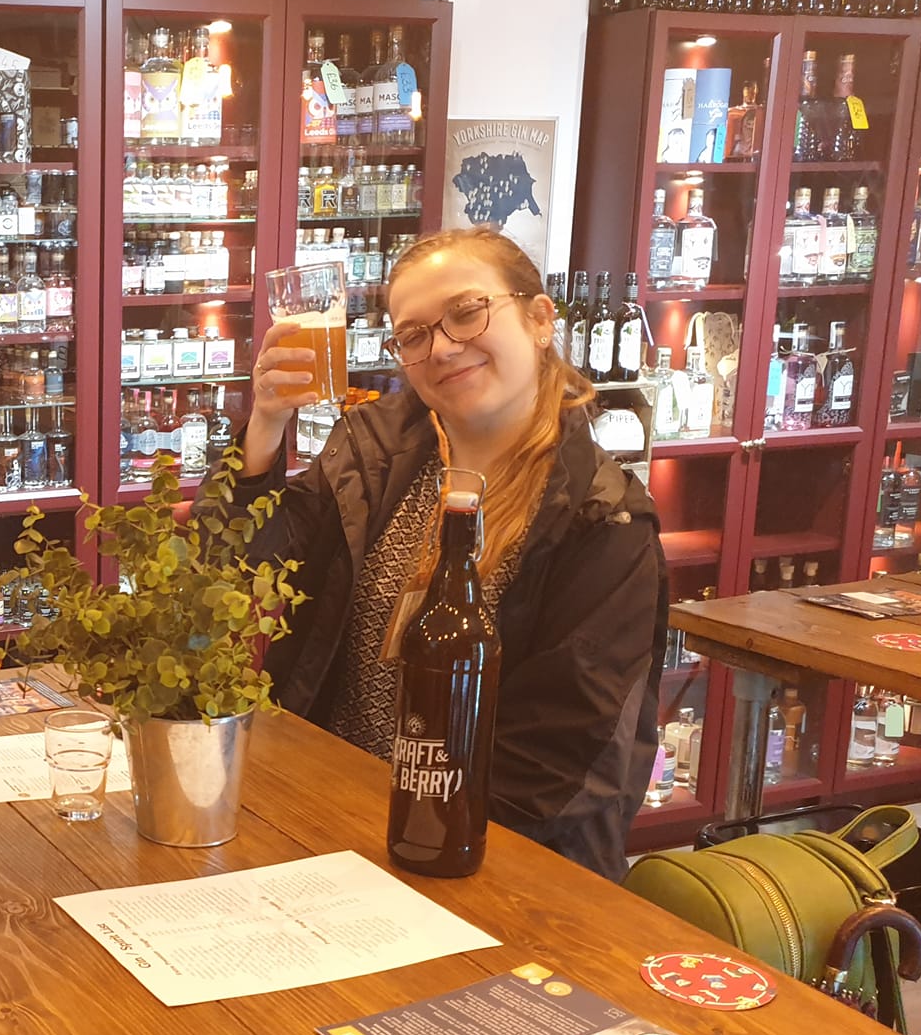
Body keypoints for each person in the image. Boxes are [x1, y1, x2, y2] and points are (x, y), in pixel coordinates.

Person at [234, 227, 666, 879]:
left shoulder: (604, 518)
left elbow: (559, 767)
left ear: (540, 319)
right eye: (413, 335)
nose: (441, 347)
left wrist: (419, 847)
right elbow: (241, 571)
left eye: (466, 313)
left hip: (488, 869)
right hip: (329, 831)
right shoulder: (371, 453)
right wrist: (266, 426)